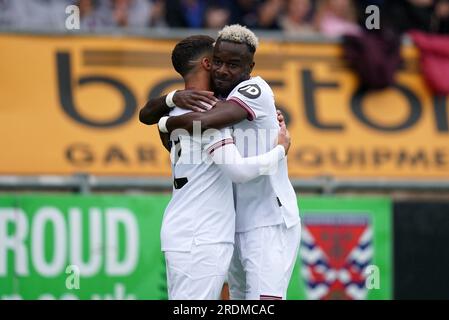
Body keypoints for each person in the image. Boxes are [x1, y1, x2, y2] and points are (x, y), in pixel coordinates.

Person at [140, 24, 301, 300]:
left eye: (233, 64)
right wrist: (279, 150)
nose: (223, 70)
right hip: (220, 226)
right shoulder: (205, 103)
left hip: (267, 219)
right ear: (208, 62)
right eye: (218, 62)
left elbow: (198, 122)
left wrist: (167, 119)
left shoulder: (254, 89)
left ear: (250, 67)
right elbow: (157, 117)